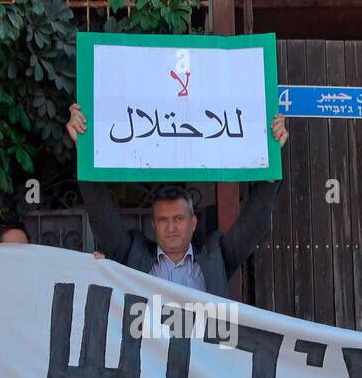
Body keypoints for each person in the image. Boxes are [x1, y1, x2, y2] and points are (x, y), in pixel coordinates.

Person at [65, 103, 289, 299]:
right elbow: (101, 215)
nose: (171, 227)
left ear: (193, 223)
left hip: (203, 348)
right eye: (163, 220)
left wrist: (272, 156)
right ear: (153, 225)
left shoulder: (215, 258)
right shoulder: (133, 256)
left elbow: (253, 223)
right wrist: (83, 149)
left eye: (179, 218)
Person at [0, 214, 104, 258]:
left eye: (25, 248)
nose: (21, 254)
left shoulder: (41, 276)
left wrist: (97, 269)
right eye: (13, 249)